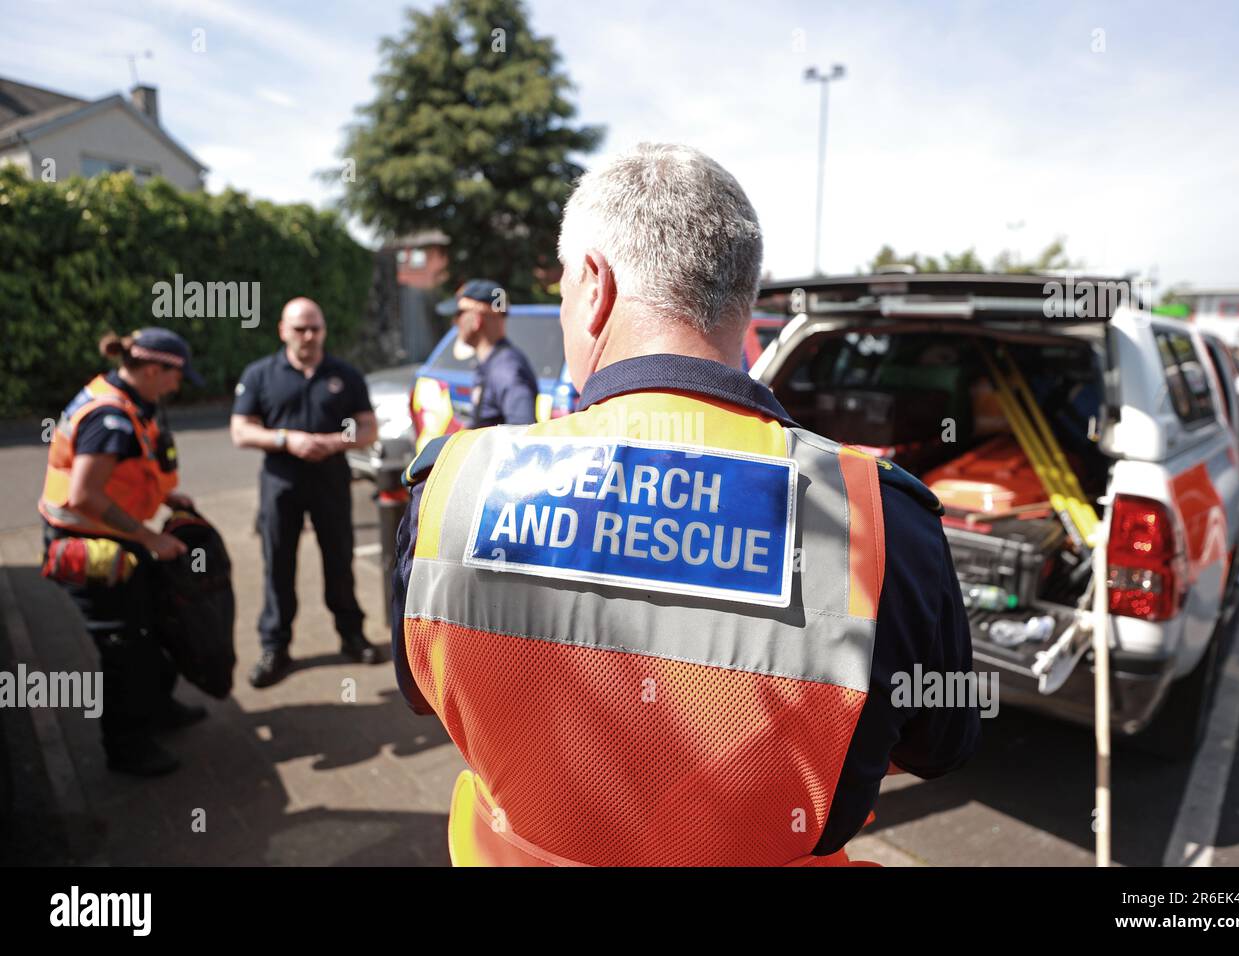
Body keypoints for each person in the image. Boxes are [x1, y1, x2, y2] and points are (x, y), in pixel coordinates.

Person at [392, 144, 979, 866]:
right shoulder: (882, 522)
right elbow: (938, 742)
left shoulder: (450, 487)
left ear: (596, 288)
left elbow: (426, 687)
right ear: (744, 300)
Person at [38, 328, 207, 776]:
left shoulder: (126, 399)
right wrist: (151, 538)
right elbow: (85, 496)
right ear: (153, 369)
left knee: (152, 619)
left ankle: (158, 708)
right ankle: (128, 747)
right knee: (125, 646)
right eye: (175, 376)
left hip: (115, 536)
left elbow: (132, 469)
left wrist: (166, 499)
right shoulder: (108, 418)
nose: (177, 384)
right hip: (88, 544)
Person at [230, 297, 383, 688]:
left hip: (331, 480)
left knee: (339, 560)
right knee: (277, 563)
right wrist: (287, 439)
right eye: (300, 328)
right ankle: (275, 646)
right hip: (281, 482)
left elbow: (367, 429)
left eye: (315, 327)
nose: (309, 335)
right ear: (283, 330)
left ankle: (352, 635)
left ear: (324, 330)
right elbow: (241, 430)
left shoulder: (345, 375)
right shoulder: (261, 374)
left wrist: (332, 442)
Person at [436, 279, 539, 427]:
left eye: (459, 314)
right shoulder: (494, 363)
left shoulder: (505, 369)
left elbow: (521, 434)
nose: (454, 322)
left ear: (477, 320)